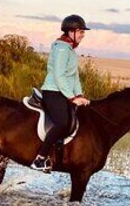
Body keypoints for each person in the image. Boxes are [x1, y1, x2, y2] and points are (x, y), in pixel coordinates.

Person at [30, 14, 92, 172]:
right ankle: (40, 159)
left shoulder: (70, 50)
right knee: (62, 123)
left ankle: (58, 157)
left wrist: (79, 95)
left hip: (63, 93)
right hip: (53, 92)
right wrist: (71, 97)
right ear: (71, 32)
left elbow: (75, 76)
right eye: (80, 32)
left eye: (83, 32)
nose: (82, 35)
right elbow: (59, 75)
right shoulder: (62, 48)